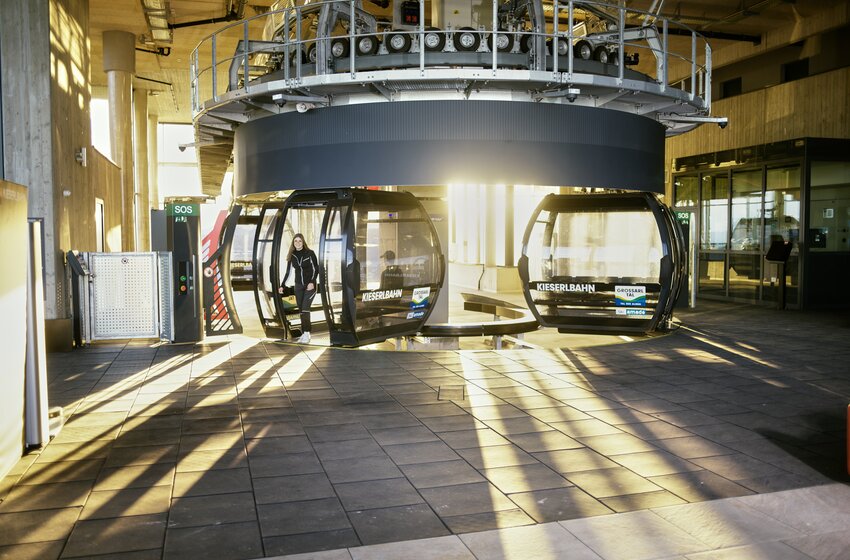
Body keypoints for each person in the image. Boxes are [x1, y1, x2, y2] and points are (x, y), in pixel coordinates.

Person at [279, 233, 319, 343]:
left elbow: (316, 268)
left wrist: (312, 282)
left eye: (299, 241)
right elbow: (288, 272)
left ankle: (307, 333)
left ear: (303, 242)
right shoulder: (292, 255)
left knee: (305, 309)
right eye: (295, 241)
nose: (297, 243)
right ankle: (304, 333)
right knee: (301, 310)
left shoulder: (310, 253)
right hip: (298, 286)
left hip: (310, 286)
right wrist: (282, 285)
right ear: (293, 243)